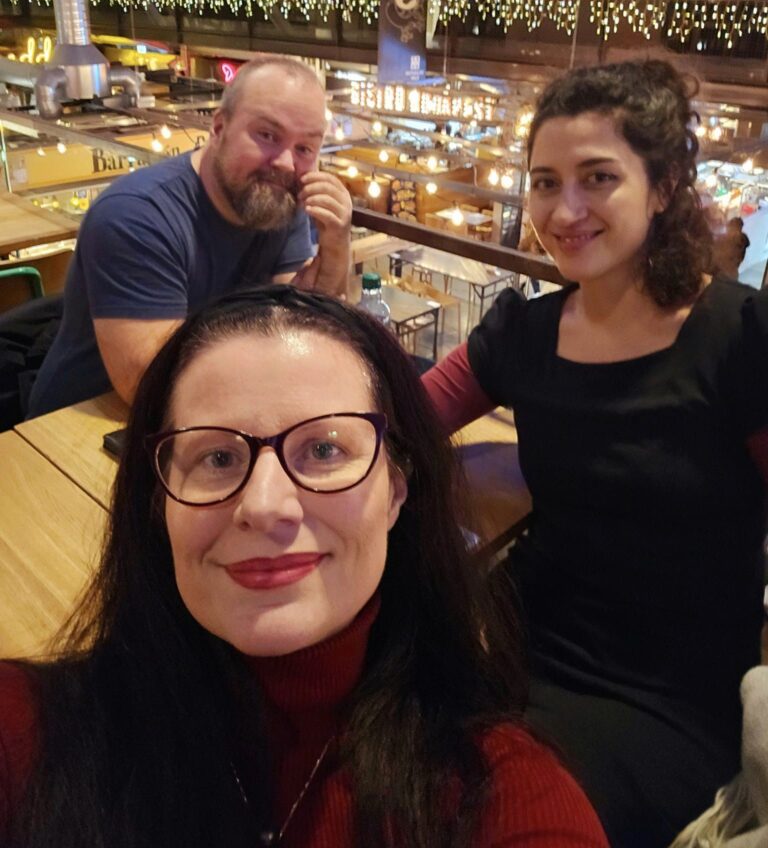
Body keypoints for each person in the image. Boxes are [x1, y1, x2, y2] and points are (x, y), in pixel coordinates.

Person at [0, 286, 607, 848]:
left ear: (397, 488)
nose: (264, 507)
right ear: (155, 503)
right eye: (216, 456)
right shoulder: (29, 731)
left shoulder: (504, 796)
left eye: (324, 449)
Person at [423, 60, 768, 848]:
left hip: (670, 695)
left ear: (666, 185)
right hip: (519, 647)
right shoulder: (524, 333)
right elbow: (406, 416)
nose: (564, 209)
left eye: (598, 178)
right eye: (545, 182)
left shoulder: (739, 339)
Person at [27, 54, 353, 418]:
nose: (285, 163)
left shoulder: (277, 202)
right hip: (82, 421)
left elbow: (309, 331)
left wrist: (337, 244)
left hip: (210, 407)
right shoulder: (136, 216)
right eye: (267, 134)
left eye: (304, 148)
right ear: (218, 128)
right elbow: (149, 385)